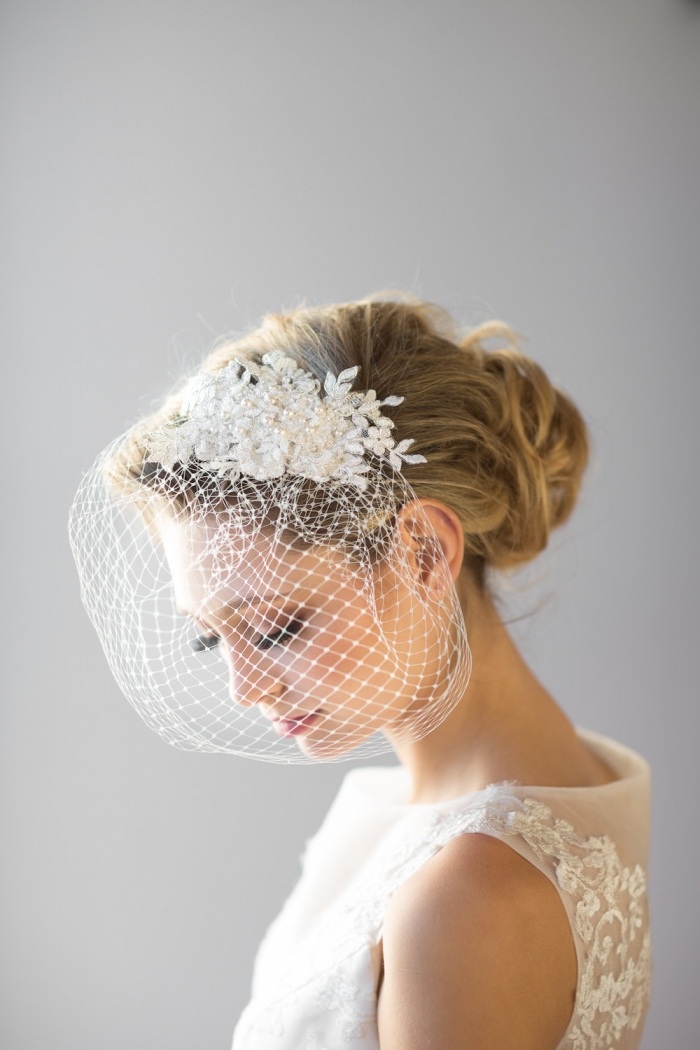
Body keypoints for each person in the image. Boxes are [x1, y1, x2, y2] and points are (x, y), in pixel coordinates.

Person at [69, 294, 651, 1049]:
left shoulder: (470, 899)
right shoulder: (542, 781)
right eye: (211, 640)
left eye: (278, 626)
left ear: (422, 552)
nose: (247, 690)